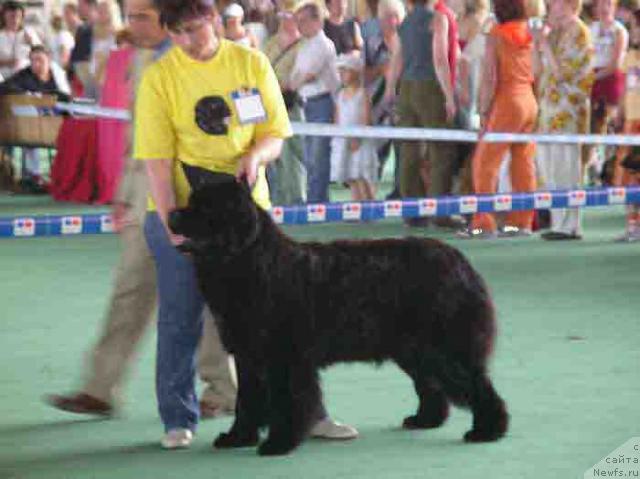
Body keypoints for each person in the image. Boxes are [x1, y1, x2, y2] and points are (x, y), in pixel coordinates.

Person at [134, 0, 357, 449]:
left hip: (249, 220)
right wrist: (172, 224)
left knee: (282, 324)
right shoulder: (160, 77)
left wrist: (256, 155)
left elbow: (273, 133)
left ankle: (307, 414)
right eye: (176, 33)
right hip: (187, 212)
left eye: (194, 29)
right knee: (181, 320)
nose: (186, 41)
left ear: (214, 20)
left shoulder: (250, 63)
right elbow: (157, 163)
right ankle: (178, 419)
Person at [46, 0, 237, 423]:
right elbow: (138, 139)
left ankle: (223, 391)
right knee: (130, 289)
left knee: (209, 298)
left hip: (198, 199)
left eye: (142, 18)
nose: (132, 26)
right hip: (145, 196)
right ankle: (100, 388)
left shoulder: (197, 59)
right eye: (129, 17)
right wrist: (124, 192)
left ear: (169, 20)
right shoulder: (140, 61)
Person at [457, 0, 538, 239]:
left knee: (484, 162)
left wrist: (482, 111)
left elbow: (490, 77)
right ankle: (521, 222)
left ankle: (484, 222)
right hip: (529, 101)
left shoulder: (496, 34)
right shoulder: (527, 30)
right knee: (522, 163)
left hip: (507, 102)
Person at [385, 0, 460, 229]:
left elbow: (397, 58)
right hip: (429, 87)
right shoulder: (438, 19)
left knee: (409, 150)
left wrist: (390, 90)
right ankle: (440, 211)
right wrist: (448, 95)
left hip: (406, 88)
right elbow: (440, 58)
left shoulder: (405, 22)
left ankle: (412, 211)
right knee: (441, 150)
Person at [535, 0, 594, 241]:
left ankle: (570, 225)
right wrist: (537, 43)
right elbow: (538, 72)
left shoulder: (579, 32)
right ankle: (558, 221)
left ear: (571, 4)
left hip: (568, 111)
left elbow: (563, 74)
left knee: (565, 166)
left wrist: (544, 45)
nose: (550, 5)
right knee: (549, 167)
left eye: (556, 2)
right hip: (549, 109)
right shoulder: (556, 32)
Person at [289, 1, 340, 204]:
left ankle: (317, 201)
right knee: (310, 156)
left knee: (317, 156)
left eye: (303, 21)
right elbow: (297, 74)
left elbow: (307, 75)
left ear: (317, 21)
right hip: (307, 103)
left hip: (321, 103)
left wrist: (288, 88)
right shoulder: (305, 44)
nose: (299, 25)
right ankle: (314, 198)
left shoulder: (323, 44)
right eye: (297, 21)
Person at [262, 0, 307, 205]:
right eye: (284, 16)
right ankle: (279, 199)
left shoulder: (304, 44)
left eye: (290, 16)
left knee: (294, 156)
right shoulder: (271, 42)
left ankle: (297, 198)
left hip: (291, 105)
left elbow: (298, 78)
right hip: (270, 105)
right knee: (275, 156)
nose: (286, 20)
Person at [362, 0, 404, 198]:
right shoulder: (371, 43)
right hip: (377, 107)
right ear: (380, 20)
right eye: (388, 17)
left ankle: (399, 191)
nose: (393, 21)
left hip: (402, 106)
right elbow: (362, 75)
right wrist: (381, 69)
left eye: (396, 16)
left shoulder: (407, 42)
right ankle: (369, 197)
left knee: (403, 153)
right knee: (376, 154)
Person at [586, 0, 628, 182]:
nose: (604, 8)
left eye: (608, 4)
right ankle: (591, 165)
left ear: (615, 7)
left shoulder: (620, 31)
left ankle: (610, 170)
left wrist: (596, 76)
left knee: (610, 126)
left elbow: (616, 63)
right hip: (592, 80)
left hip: (611, 81)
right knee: (592, 125)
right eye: (601, 4)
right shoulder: (590, 28)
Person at [330, 52, 378, 200]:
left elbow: (366, 118)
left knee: (362, 174)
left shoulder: (363, 94)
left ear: (356, 72)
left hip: (360, 142)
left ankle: (370, 206)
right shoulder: (340, 95)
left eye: (346, 71)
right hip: (344, 140)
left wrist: (358, 137)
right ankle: (356, 206)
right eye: (340, 71)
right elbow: (337, 118)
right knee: (351, 176)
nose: (342, 74)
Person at [0, 1, 41, 80]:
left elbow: (41, 56)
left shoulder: (29, 32)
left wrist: (32, 44)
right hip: (3, 77)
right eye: (12, 16)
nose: (15, 20)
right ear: (4, 16)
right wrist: (9, 62)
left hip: (25, 76)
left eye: (18, 16)